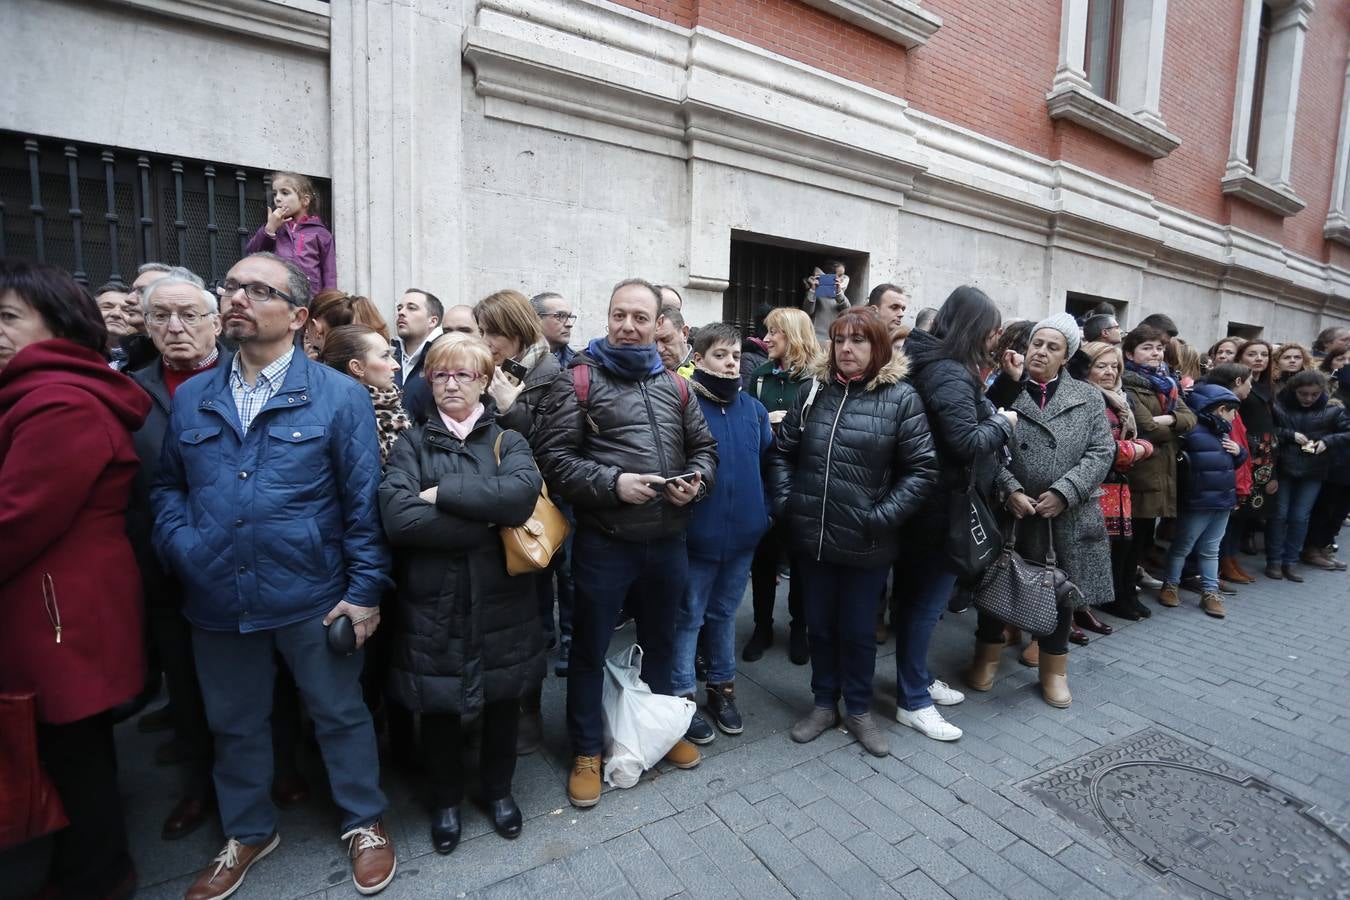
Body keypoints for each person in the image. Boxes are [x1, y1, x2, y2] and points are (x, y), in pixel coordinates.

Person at [151, 252, 397, 898]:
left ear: (296, 316)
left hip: (312, 593)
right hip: (216, 594)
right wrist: (182, 545)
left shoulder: (340, 396)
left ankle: (364, 820)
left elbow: (362, 504)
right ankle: (248, 831)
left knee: (338, 713)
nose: (237, 298)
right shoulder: (195, 396)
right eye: (231, 286)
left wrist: (364, 593)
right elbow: (168, 487)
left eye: (258, 290)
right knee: (233, 722)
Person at [534, 278, 718, 808]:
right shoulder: (578, 380)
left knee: (661, 645)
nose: (629, 326)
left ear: (659, 323)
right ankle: (587, 750)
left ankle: (658, 731)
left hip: (668, 541)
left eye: (640, 317)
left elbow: (705, 448)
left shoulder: (677, 386)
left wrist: (697, 482)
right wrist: (613, 484)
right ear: (608, 317)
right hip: (605, 543)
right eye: (620, 315)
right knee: (588, 651)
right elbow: (554, 460)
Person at [0, 259, 151, 899]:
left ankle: (96, 876)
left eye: (9, 317)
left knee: (74, 751)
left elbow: (17, 519)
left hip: (59, 611)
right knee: (73, 746)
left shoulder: (59, 402)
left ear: (59, 323)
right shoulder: (44, 393)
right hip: (57, 604)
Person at [379, 334, 545, 853]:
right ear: (429, 381)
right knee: (440, 708)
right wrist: (486, 519)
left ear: (484, 382)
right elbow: (399, 519)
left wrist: (442, 494)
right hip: (434, 602)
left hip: (503, 600)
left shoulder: (508, 441)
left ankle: (499, 792)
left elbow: (519, 499)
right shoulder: (411, 444)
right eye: (441, 375)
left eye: (464, 374)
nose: (451, 384)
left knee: (502, 704)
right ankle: (446, 801)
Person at [768, 307, 937, 756]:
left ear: (877, 346)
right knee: (820, 627)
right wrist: (788, 504)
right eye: (840, 339)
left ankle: (859, 709)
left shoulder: (901, 398)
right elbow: (782, 453)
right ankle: (825, 704)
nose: (846, 348)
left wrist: (879, 517)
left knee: (859, 632)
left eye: (858, 340)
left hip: (867, 543)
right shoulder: (813, 391)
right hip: (814, 538)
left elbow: (921, 470)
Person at [125, 269, 225, 842]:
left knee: (263, 675)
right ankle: (199, 786)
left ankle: (280, 768)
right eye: (160, 316)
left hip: (242, 556)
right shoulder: (129, 390)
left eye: (189, 314)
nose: (175, 327)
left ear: (217, 323)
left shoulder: (245, 378)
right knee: (184, 682)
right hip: (164, 562)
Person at [975, 314, 1114, 708]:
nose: (1041, 352)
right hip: (1013, 513)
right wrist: (1010, 489)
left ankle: (1054, 672)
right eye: (1037, 343)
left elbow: (1101, 450)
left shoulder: (1087, 397)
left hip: (1065, 516)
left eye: (1053, 347)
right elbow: (986, 447)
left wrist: (1065, 491)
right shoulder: (1006, 390)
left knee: (1061, 593)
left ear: (1066, 356)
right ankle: (985, 658)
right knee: (997, 582)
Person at [898, 286, 1013, 741]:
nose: (995, 338)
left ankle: (917, 679)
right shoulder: (947, 371)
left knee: (917, 603)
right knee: (924, 606)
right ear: (975, 328)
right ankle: (912, 700)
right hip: (939, 509)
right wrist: (1003, 423)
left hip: (930, 503)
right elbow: (965, 442)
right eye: (992, 329)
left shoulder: (937, 363)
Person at [672, 323, 773, 744]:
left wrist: (764, 513)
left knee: (724, 614)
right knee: (688, 617)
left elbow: (765, 460)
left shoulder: (753, 409)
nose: (731, 363)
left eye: (735, 356)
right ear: (698, 359)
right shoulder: (685, 405)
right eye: (720, 355)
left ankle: (722, 688)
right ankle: (682, 697)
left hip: (744, 535)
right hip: (696, 536)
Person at [474, 289, 564, 753]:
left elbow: (551, 449)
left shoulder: (551, 374)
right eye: (481, 331)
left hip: (531, 515)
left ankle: (529, 708)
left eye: (492, 332)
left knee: (532, 617)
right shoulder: (493, 368)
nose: (485, 341)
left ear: (516, 331)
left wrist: (511, 409)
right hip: (491, 508)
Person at [743, 306, 819, 664]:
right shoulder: (759, 376)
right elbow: (747, 420)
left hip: (802, 482)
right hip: (763, 481)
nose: (766, 338)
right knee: (764, 559)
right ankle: (762, 627)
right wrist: (763, 420)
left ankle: (799, 628)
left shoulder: (817, 380)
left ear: (794, 335)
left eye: (774, 332)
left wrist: (791, 425)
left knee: (801, 562)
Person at [1121, 324, 1196, 602]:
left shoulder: (1167, 383)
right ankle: (1124, 588)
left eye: (1159, 348)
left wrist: (1170, 419)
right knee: (1131, 536)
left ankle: (1131, 581)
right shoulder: (1127, 383)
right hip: (1141, 470)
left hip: (1162, 469)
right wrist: (1174, 424)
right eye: (1147, 348)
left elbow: (1191, 419)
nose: (1155, 353)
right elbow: (1147, 427)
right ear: (1130, 354)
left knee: (1144, 535)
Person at [1158, 385, 1247, 618]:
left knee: (1211, 549)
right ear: (1221, 409)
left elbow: (1228, 464)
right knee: (1183, 545)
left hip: (1223, 500)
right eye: (1233, 412)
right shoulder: (1191, 429)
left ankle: (1210, 592)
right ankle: (1170, 585)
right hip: (1197, 500)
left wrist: (1239, 452)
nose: (1235, 417)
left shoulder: (1222, 431)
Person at [1081, 341, 1154, 622]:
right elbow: (1098, 446)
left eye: (1114, 366)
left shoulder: (1121, 398)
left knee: (1121, 543)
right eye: (1101, 366)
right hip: (1094, 482)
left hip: (1118, 481)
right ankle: (1087, 605)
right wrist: (1135, 449)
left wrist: (1137, 448)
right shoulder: (1085, 396)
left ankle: (1119, 595)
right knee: (1093, 547)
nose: (1110, 372)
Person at [1266, 370, 1350, 581]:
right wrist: (1289, 434)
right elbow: (1268, 429)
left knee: (1300, 517)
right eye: (1303, 394)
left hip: (1314, 469)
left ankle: (1291, 561)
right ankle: (1274, 560)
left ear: (1322, 391)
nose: (1308, 398)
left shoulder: (1332, 409)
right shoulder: (1279, 405)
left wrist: (1327, 441)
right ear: (1294, 390)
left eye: (1314, 394)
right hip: (1284, 466)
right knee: (1279, 515)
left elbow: (1347, 432)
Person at [1201, 363, 1258, 585]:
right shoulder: (1223, 409)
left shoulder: (1235, 408)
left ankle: (1230, 560)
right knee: (1218, 530)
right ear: (1237, 382)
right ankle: (1220, 566)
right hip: (1228, 477)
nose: (1251, 387)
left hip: (1236, 473)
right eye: (1249, 382)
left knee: (1232, 525)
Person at [320, 324, 408, 463]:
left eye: (391, 355)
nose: (396, 366)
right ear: (357, 367)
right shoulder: (342, 422)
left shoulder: (393, 406)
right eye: (385, 356)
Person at [244, 172, 335, 293]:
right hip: (278, 293)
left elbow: (329, 274)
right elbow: (252, 254)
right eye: (275, 193)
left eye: (285, 193)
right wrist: (269, 230)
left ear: (305, 200)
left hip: (310, 296)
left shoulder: (321, 234)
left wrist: (329, 300)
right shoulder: (274, 228)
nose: (277, 198)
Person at [1235, 340, 1278, 557]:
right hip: (1243, 448)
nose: (1259, 358)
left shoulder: (1269, 386)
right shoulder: (1238, 384)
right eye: (1252, 354)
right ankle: (1227, 558)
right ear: (1241, 357)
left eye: (1264, 354)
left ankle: (1240, 546)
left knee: (1257, 503)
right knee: (1239, 505)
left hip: (1266, 451)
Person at [306, 290, 388, 359]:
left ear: (317, 328)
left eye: (306, 326)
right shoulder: (365, 358)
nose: (306, 332)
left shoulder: (318, 369)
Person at [391, 288, 443, 389]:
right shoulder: (389, 354)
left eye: (411, 308)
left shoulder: (444, 357)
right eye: (399, 308)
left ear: (432, 321)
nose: (401, 312)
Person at [801, 261, 855, 343]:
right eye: (839, 275)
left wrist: (839, 293)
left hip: (836, 337)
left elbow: (847, 311)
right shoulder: (815, 290)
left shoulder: (840, 291)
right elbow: (808, 311)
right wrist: (813, 290)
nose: (842, 278)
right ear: (829, 276)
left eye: (843, 275)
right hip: (818, 338)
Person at [531, 291, 577, 367]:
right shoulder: (515, 358)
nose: (569, 324)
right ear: (536, 319)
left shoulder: (578, 363)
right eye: (560, 316)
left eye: (570, 317)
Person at [656, 304, 694, 376]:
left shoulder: (704, 370)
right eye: (654, 342)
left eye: (666, 340)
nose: (659, 349)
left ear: (684, 333)